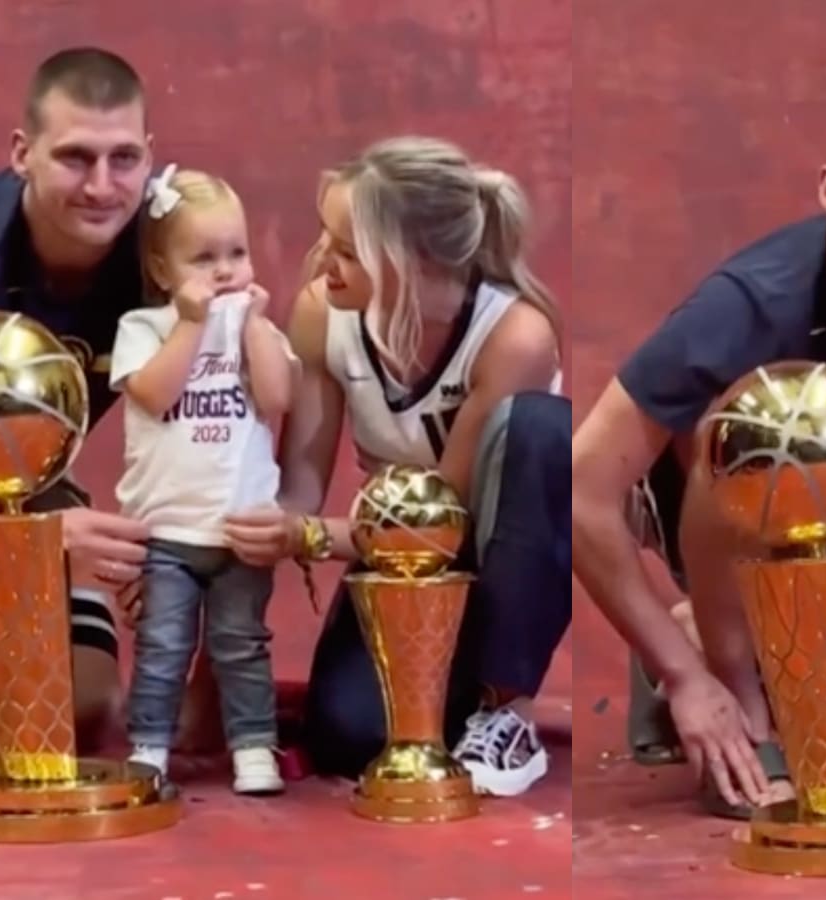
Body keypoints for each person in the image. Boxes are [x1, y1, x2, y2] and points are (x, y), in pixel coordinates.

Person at [571, 89, 826, 816]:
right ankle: (715, 667)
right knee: (745, 434)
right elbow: (581, 489)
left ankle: (711, 631)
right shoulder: (746, 305)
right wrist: (695, 679)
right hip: (710, 490)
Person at [221, 136, 570, 797]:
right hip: (389, 557)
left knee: (543, 433)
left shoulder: (514, 335)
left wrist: (312, 537)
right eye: (327, 237)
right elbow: (299, 481)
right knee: (350, 739)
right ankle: (447, 704)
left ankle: (507, 707)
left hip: (484, 553)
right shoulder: (323, 311)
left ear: (414, 262)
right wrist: (239, 532)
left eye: (348, 249)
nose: (322, 259)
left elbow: (448, 517)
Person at [0, 47, 157, 763]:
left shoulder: (176, 249)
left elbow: (225, 429)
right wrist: (32, 549)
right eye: (76, 157)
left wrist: (177, 560)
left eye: (125, 158)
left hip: (32, 482)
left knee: (74, 709)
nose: (103, 186)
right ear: (23, 153)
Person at [109, 165, 297, 794]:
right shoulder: (145, 328)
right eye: (203, 258)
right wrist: (191, 325)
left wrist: (258, 328)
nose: (224, 271)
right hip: (166, 530)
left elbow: (276, 398)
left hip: (241, 528)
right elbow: (156, 396)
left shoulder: (254, 330)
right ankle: (149, 748)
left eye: (236, 254)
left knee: (242, 646)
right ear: (163, 273)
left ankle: (254, 747)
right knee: (163, 646)